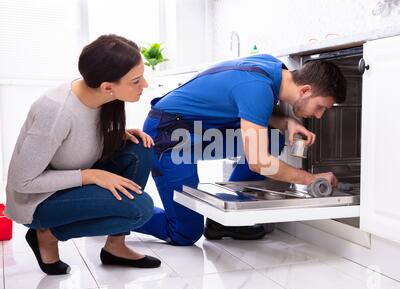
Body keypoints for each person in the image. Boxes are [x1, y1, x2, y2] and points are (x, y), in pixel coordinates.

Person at [133, 53, 347, 246]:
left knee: (272, 138)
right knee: (185, 233)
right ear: (306, 90)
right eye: (320, 107)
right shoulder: (257, 88)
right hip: (167, 136)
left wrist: (284, 122)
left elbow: (246, 104)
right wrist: (312, 179)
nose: (319, 116)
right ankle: (114, 213)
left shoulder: (273, 68)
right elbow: (259, 162)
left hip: (198, 130)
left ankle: (226, 224)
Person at [4, 34, 161, 276]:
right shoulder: (55, 111)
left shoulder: (102, 95)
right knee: (140, 209)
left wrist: (117, 134)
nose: (145, 85)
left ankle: (115, 247)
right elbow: (21, 182)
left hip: (74, 181)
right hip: (38, 201)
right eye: (136, 80)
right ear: (108, 87)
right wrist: (89, 175)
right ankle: (47, 234)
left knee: (140, 149)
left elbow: (81, 134)